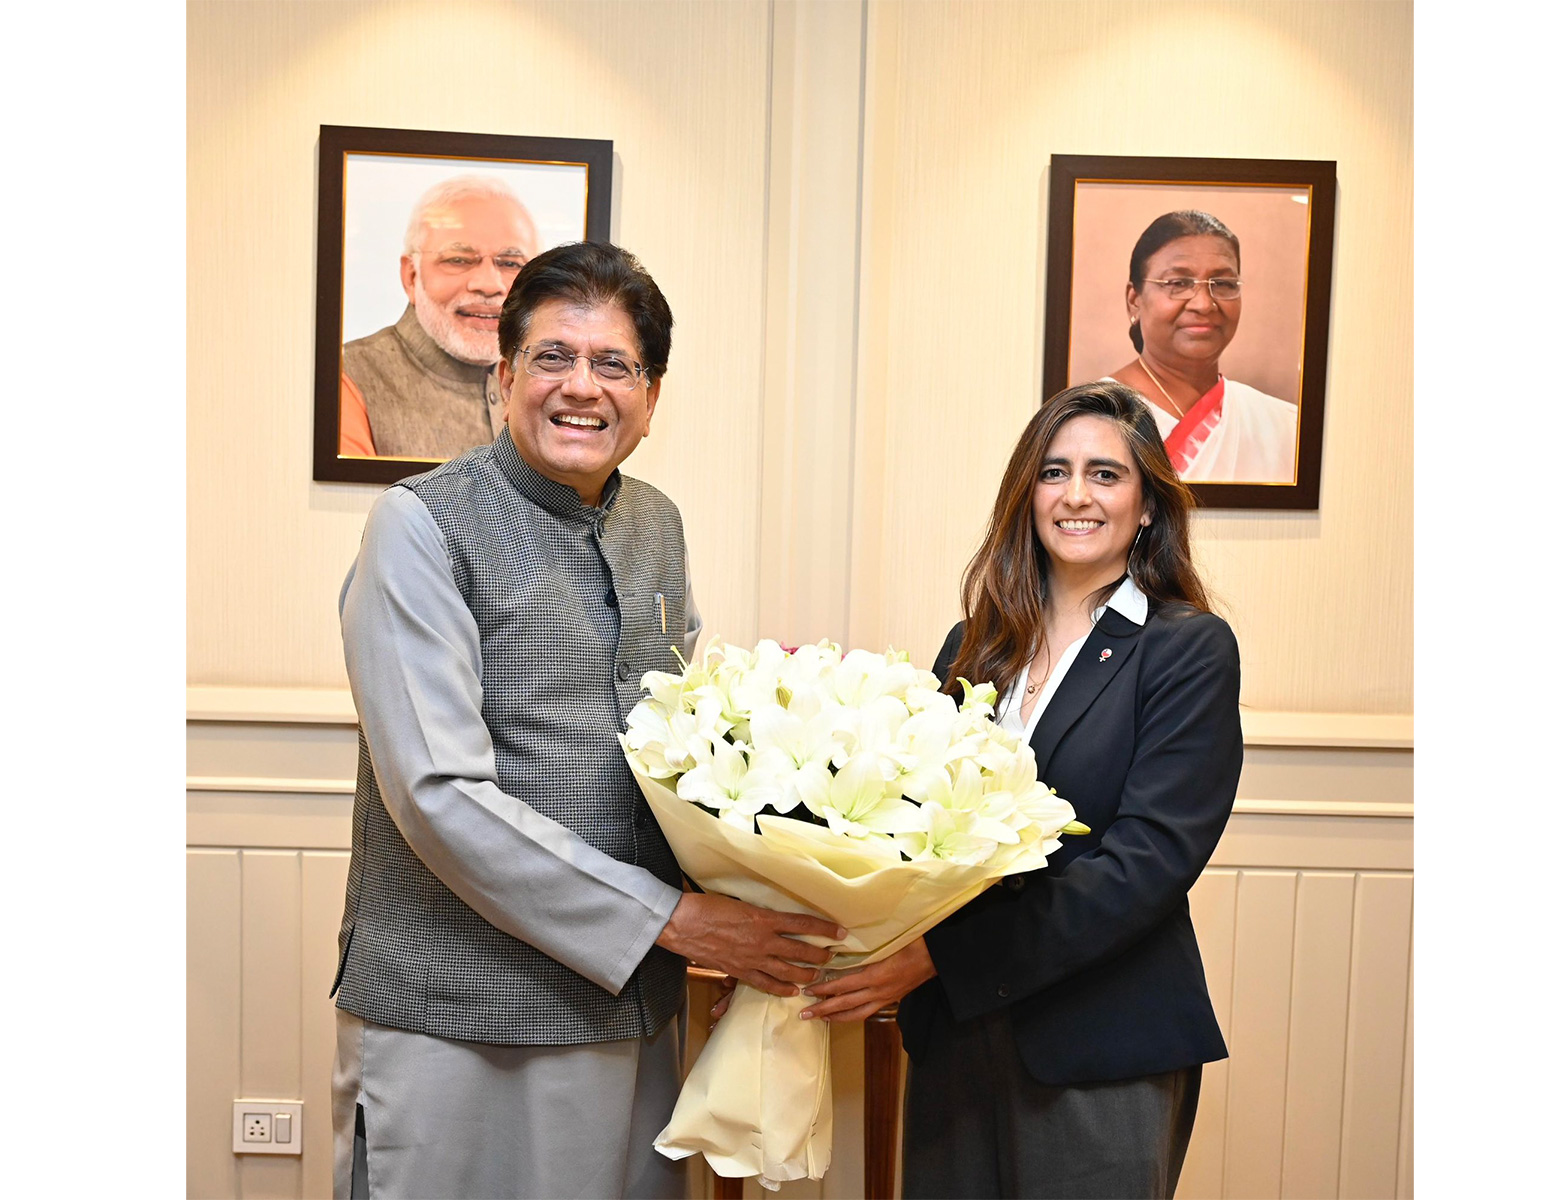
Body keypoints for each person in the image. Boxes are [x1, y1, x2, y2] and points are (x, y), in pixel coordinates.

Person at [330, 241, 846, 1200]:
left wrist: (756, 901)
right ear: (504, 376)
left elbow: (689, 752)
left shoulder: (657, 522)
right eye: (554, 358)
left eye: (615, 364)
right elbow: (439, 795)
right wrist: (683, 923)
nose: (583, 387)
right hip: (457, 1013)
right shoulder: (420, 524)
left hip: (631, 1009)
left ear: (650, 397)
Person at [801, 381, 1244, 1198]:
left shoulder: (1188, 649)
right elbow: (911, 825)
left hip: (1100, 1044)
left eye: (1106, 475)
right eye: (1054, 472)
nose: (1077, 496)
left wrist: (938, 959)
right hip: (955, 1035)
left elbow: (1144, 865)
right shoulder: (972, 645)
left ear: (1147, 504)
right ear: (1026, 493)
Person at [339, 175, 541, 460]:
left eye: (510, 263)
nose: (488, 284)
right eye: (458, 260)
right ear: (411, 276)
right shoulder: (348, 376)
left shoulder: (553, 376)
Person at [1105, 209, 1299, 483]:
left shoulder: (1285, 426)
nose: (1204, 304)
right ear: (1134, 299)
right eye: (1178, 283)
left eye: (1222, 283)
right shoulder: (1094, 414)